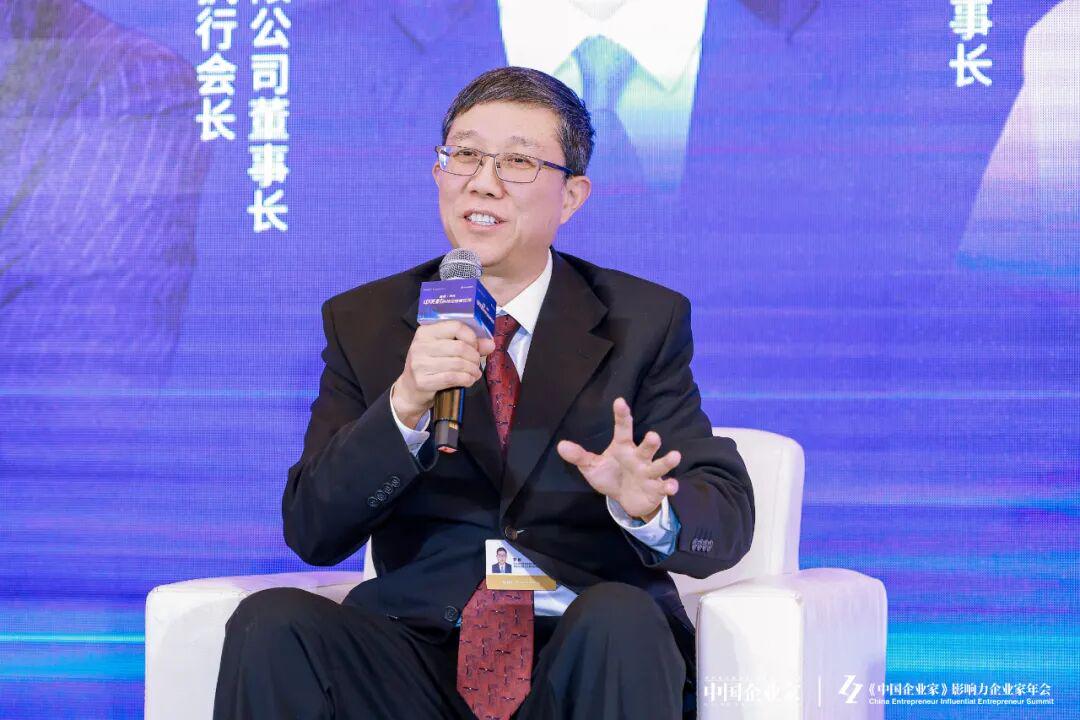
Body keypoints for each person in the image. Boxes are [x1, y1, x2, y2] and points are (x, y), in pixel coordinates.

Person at [213, 67, 754, 720]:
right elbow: (312, 530)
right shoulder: (367, 321)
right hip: (416, 651)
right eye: (465, 155)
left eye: (518, 161)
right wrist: (405, 406)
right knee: (272, 622)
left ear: (571, 195)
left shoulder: (641, 321)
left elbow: (724, 519)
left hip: (581, 648)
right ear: (438, 172)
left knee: (620, 615)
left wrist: (649, 506)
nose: (483, 181)